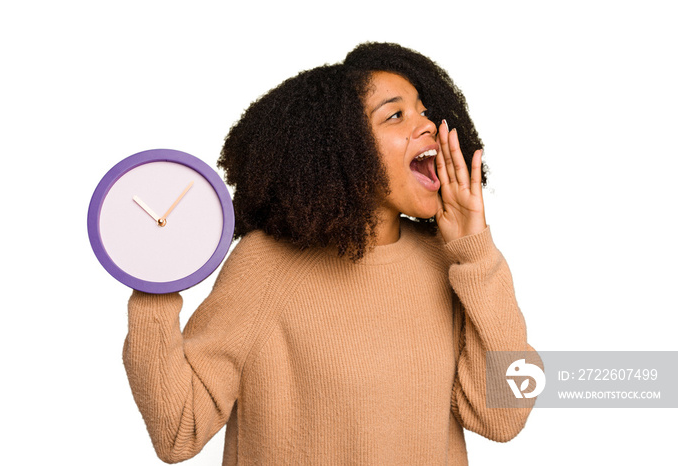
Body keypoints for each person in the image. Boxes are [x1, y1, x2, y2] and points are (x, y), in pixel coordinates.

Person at [123, 42, 537, 465]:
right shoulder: (266, 264)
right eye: (396, 115)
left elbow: (505, 416)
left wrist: (476, 253)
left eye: (425, 111)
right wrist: (155, 285)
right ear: (342, 148)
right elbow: (178, 431)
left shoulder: (447, 262)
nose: (427, 126)